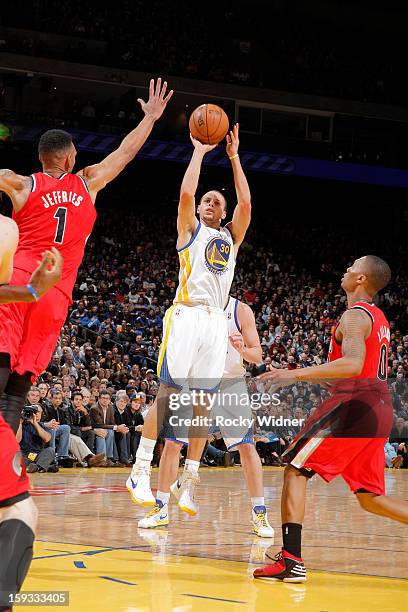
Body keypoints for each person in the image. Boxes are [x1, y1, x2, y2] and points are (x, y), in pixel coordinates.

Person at [0, 78, 172, 434]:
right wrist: (150, 118)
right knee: (16, 392)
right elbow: (125, 152)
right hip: (56, 291)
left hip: (19, 280)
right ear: (68, 157)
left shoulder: (20, 183)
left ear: (42, 158)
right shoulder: (87, 181)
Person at [253, 255, 408, 583]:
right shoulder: (378, 318)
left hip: (356, 405)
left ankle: (291, 561)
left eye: (353, 266)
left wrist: (294, 375)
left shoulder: (353, 315)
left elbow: (352, 365)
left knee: (296, 470)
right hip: (380, 407)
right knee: (371, 498)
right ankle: (290, 559)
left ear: (362, 279)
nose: (346, 269)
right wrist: (307, 376)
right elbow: (355, 370)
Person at [127, 124, 252, 515]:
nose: (210, 204)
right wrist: (198, 151)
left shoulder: (231, 237)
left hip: (216, 323)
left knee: (203, 405)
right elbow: (185, 193)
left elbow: (247, 205)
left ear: (225, 212)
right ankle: (139, 468)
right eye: (207, 201)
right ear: (199, 209)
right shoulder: (190, 230)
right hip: (186, 315)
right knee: (168, 396)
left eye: (217, 201)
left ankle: (190, 478)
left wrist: (233, 157)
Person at [138, 297, 274, 537]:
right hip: (194, 382)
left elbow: (257, 355)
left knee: (246, 447)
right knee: (172, 443)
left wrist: (243, 349)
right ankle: (161, 508)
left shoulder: (240, 310)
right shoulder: (190, 306)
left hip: (229, 383)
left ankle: (259, 513)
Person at [16, 405, 57, 473]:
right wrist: (20, 423)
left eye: (38, 412)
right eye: (34, 412)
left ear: (41, 414)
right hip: (24, 454)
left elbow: (47, 438)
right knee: (16, 455)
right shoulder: (20, 425)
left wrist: (35, 423)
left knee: (50, 450)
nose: (36, 414)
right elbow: (17, 440)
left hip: (38, 454)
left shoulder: (42, 425)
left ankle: (36, 467)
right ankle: (43, 466)